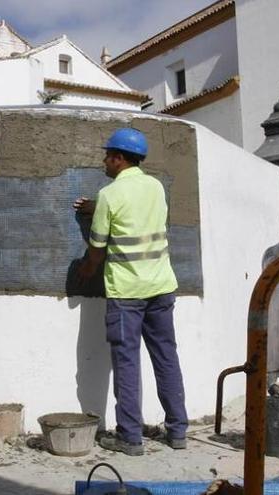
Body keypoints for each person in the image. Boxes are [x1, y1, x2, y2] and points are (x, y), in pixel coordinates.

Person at [73, 127, 188, 456]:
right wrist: (100, 207)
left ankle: (130, 437)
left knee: (126, 362)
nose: (104, 161)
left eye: (108, 156)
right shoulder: (155, 187)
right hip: (162, 288)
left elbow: (97, 248)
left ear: (120, 159)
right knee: (166, 357)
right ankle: (178, 431)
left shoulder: (110, 195)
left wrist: (86, 269)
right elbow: (138, 217)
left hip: (127, 294)